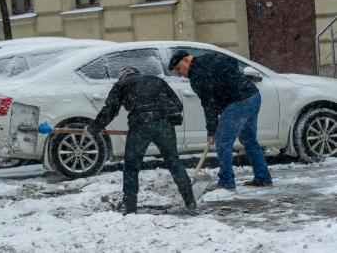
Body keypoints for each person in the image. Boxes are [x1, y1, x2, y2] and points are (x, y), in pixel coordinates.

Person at [83, 67, 197, 215]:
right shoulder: (156, 80)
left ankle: (130, 207)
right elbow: (178, 105)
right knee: (174, 162)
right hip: (164, 125)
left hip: (140, 126)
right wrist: (161, 115)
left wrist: (93, 128)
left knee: (131, 166)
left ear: (122, 76)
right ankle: (190, 202)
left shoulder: (121, 85)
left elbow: (110, 110)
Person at [168, 50, 272, 191]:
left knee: (222, 142)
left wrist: (212, 131)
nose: (178, 73)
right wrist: (229, 82)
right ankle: (263, 178)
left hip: (238, 101)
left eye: (178, 69)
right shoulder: (210, 58)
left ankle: (226, 181)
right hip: (252, 96)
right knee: (249, 140)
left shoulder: (197, 76)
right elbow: (232, 62)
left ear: (186, 60)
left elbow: (209, 104)